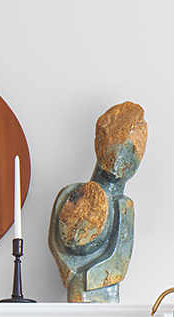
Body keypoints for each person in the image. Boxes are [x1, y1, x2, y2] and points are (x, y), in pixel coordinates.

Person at [49, 101, 147, 302]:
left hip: (104, 291)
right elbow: (55, 243)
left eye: (127, 160)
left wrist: (83, 278)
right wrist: (70, 275)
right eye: (113, 155)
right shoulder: (70, 193)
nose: (117, 164)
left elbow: (118, 261)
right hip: (78, 288)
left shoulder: (123, 205)